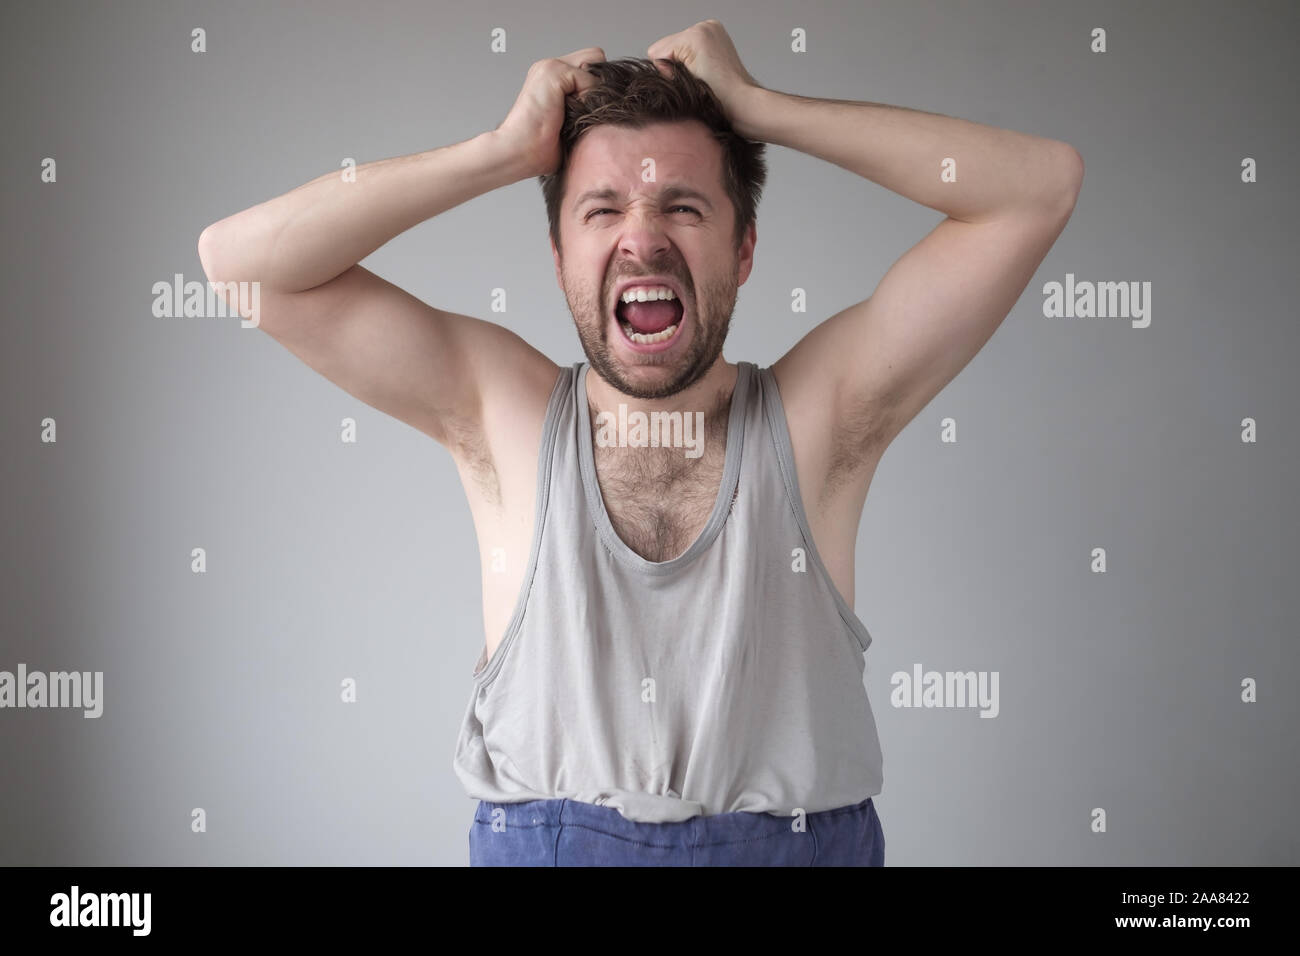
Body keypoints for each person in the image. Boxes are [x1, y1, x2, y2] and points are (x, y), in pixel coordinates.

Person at [197, 19, 1082, 866]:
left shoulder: (822, 417)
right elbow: (238, 265)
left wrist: (762, 108)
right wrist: (499, 153)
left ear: (743, 251)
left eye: (685, 207)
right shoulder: (499, 411)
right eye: (603, 209)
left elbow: (1035, 189)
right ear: (557, 257)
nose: (643, 237)